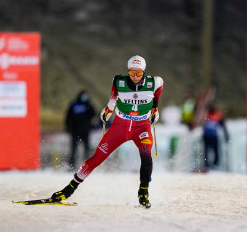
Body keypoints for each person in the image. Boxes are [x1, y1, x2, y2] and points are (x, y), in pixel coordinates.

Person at [51, 55, 164, 208]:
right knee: (98, 157)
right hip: (120, 126)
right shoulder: (119, 81)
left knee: (146, 155)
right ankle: (69, 189)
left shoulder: (155, 82)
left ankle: (143, 192)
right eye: (132, 73)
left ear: (144, 72)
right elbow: (113, 99)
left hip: (142, 127)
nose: (135, 77)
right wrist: (108, 110)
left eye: (138, 73)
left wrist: (154, 109)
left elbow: (158, 90)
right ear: (128, 71)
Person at [65, 90, 96, 169]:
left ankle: (88, 166)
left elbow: (94, 114)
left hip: (85, 131)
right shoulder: (73, 105)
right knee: (74, 149)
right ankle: (71, 166)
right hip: (75, 131)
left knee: (87, 149)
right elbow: (68, 117)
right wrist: (68, 127)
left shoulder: (88, 105)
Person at [203, 104, 229, 170]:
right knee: (206, 152)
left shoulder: (216, 115)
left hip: (214, 136)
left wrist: (226, 134)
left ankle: (215, 164)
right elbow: (202, 125)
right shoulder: (205, 114)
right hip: (206, 136)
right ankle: (206, 165)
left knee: (216, 151)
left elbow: (223, 125)